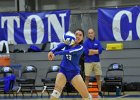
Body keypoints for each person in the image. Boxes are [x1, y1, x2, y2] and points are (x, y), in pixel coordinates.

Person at [48, 29, 92, 100]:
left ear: (83, 38)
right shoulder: (68, 42)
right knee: (56, 92)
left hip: (74, 73)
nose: (78, 36)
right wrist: (51, 51)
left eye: (80, 35)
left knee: (86, 97)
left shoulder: (80, 48)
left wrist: (55, 53)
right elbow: (60, 45)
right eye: (76, 34)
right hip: (63, 71)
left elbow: (69, 51)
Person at [83, 28, 103, 97]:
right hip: (88, 62)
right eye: (89, 33)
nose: (90, 34)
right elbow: (86, 52)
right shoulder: (85, 43)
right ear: (88, 34)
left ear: (94, 33)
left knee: (98, 77)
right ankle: (85, 93)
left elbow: (100, 51)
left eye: (91, 33)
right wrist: (95, 51)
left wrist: (92, 51)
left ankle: (100, 91)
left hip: (96, 62)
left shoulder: (98, 42)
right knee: (87, 77)